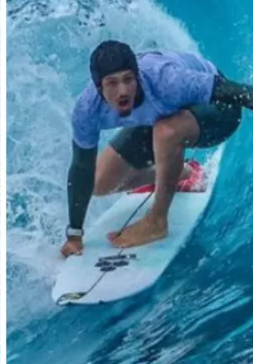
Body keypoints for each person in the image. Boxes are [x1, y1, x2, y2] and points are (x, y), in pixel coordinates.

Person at [61, 40, 253, 256]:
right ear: (99, 88)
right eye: (112, 83)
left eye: (128, 80)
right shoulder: (87, 110)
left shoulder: (165, 80)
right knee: (99, 183)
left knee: (166, 131)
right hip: (161, 119)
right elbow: (81, 168)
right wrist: (74, 236)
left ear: (137, 77)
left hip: (219, 113)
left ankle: (156, 221)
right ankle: (180, 173)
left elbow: (241, 93)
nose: (122, 90)